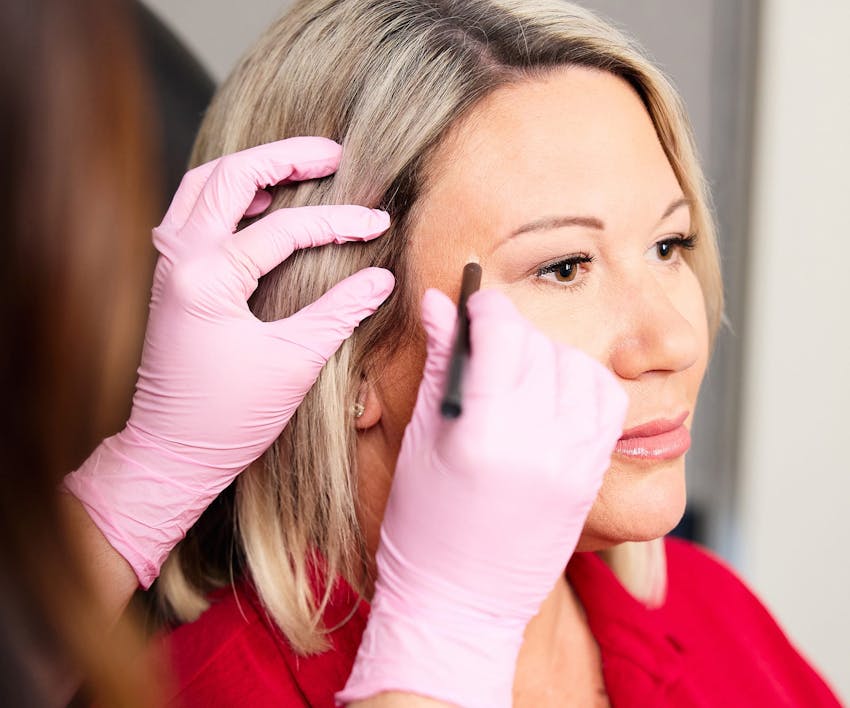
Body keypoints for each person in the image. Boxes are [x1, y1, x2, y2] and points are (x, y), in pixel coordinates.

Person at [157, 1, 843, 707]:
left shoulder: (714, 617)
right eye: (566, 267)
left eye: (668, 246)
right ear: (344, 349)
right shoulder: (194, 693)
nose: (674, 341)